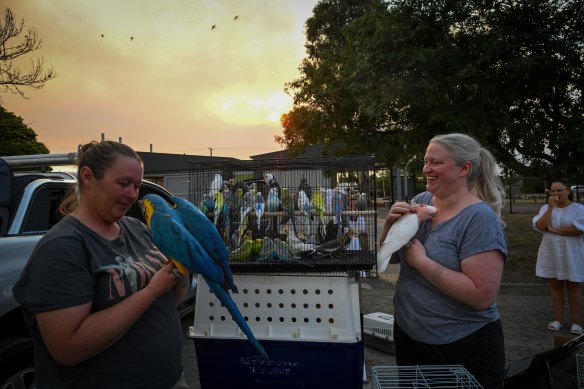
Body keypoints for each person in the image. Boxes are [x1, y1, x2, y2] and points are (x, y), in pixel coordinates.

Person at [13, 141, 191, 389]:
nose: (133, 194)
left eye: (137, 186)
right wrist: (152, 290)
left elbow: (168, 303)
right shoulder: (63, 247)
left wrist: (180, 274)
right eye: (123, 183)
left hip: (170, 379)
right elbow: (69, 348)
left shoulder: (137, 229)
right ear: (87, 176)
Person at [381, 133, 507, 389]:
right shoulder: (420, 202)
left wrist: (422, 262)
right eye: (426, 161)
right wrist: (389, 227)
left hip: (460, 346)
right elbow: (393, 258)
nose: (426, 168)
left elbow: (481, 296)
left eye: (435, 162)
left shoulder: (478, 218)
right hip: (409, 334)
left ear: (464, 168)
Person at [533, 179, 584, 335]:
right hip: (551, 252)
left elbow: (578, 229)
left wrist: (554, 230)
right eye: (552, 191)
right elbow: (541, 226)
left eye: (559, 190)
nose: (555, 194)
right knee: (555, 286)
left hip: (572, 253)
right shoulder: (546, 208)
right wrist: (550, 208)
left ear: (568, 191)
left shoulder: (579, 209)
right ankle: (558, 320)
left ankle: (576, 323)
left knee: (573, 286)